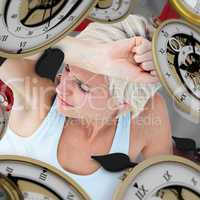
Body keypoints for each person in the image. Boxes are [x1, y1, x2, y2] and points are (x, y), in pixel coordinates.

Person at [0, 15, 172, 199]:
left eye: (83, 86)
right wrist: (91, 55)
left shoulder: (148, 116)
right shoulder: (36, 104)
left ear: (123, 104)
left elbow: (167, 186)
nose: (61, 88)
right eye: (67, 68)